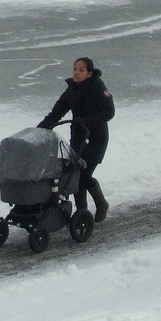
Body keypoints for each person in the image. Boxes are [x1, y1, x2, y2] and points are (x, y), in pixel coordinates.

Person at [38, 57, 114, 223]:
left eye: (81, 70)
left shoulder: (98, 87)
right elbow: (56, 114)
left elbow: (109, 112)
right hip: (78, 137)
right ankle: (82, 214)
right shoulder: (71, 90)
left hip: (96, 138)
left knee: (84, 175)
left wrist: (87, 121)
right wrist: (39, 130)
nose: (76, 72)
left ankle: (101, 204)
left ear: (89, 73)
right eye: (75, 69)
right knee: (75, 176)